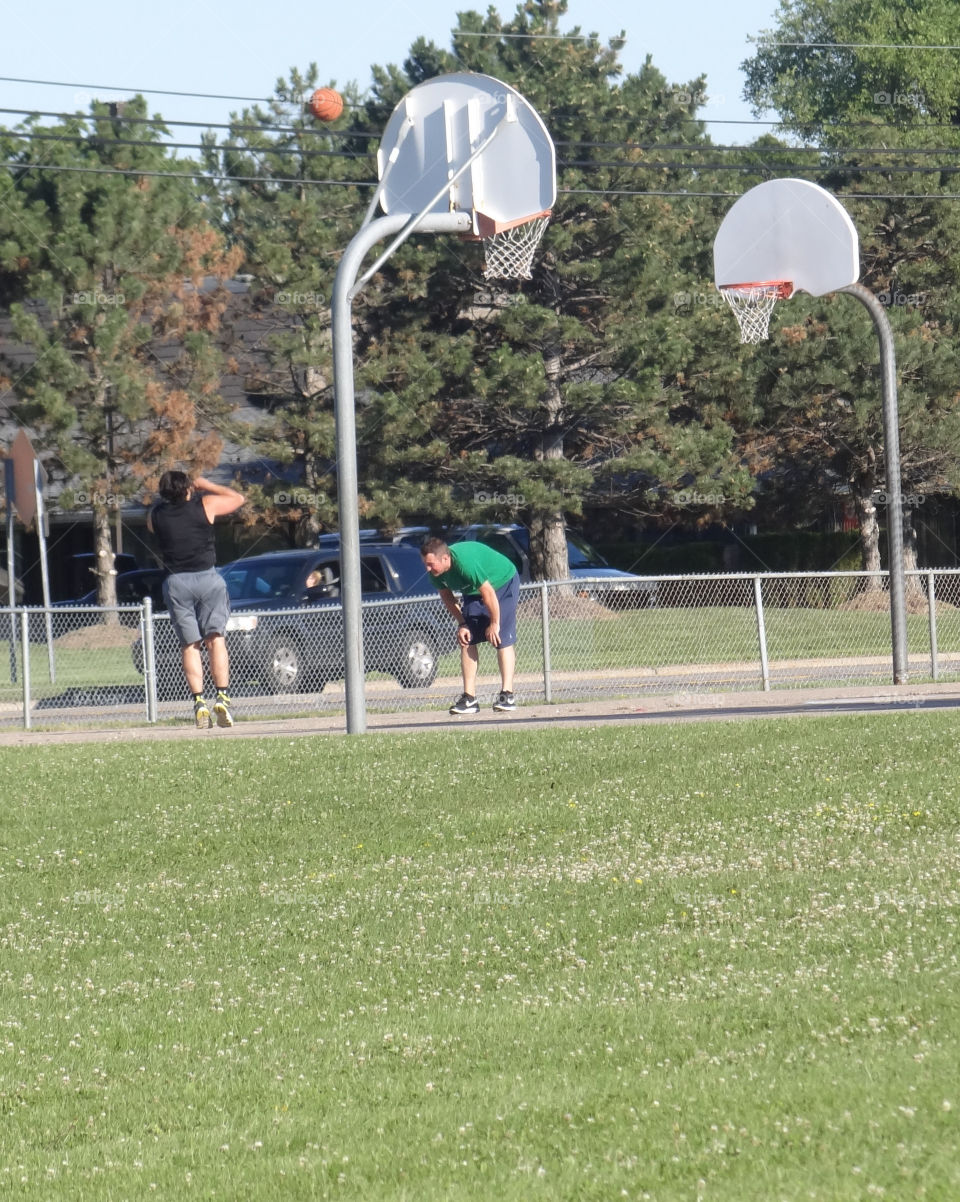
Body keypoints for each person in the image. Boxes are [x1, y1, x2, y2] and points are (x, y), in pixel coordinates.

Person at [147, 471, 246, 728]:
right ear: (188, 488)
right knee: (216, 639)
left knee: (190, 645)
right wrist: (206, 485)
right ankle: (222, 696)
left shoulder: (155, 515)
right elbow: (238, 498)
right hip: (207, 578)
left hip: (176, 582)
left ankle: (199, 702)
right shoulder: (205, 504)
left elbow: (151, 523)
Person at [420, 536, 520, 715]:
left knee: (501, 638)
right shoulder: (435, 573)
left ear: (445, 558)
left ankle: (507, 695)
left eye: (430, 564)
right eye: (425, 564)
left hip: (502, 582)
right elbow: (447, 596)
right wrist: (462, 623)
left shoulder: (465, 564)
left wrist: (494, 623)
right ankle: (469, 698)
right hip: (473, 590)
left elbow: (488, 592)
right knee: (466, 639)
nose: (427, 568)